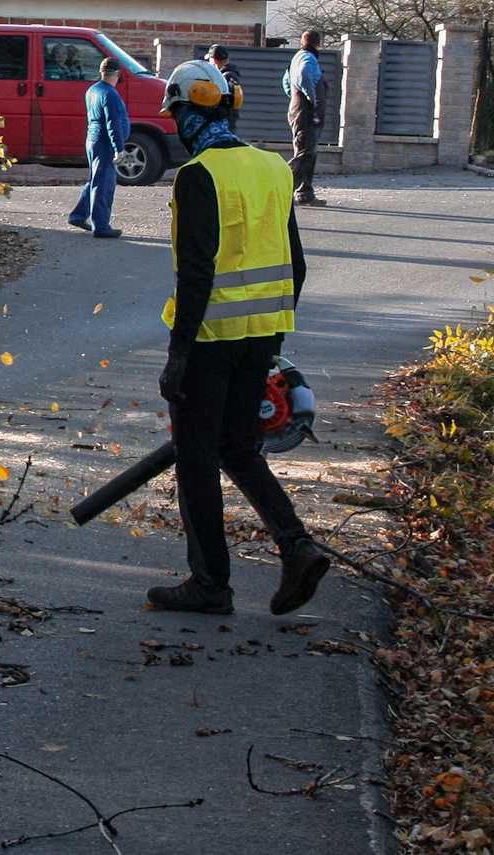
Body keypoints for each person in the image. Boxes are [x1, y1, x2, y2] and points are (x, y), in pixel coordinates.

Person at [148, 58, 329, 617]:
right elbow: (295, 264)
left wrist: (177, 359)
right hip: (259, 337)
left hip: (209, 341)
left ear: (186, 114)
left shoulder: (197, 176)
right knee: (237, 447)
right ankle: (296, 546)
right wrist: (272, 341)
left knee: (198, 460)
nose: (175, 124)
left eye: (175, 113)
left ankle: (210, 584)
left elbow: (196, 274)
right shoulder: (274, 168)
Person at [67, 57, 131, 239]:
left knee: (96, 178)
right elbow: (113, 123)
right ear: (118, 74)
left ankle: (78, 215)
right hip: (105, 143)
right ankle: (101, 226)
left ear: (101, 72)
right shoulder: (110, 94)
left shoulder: (92, 90)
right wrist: (119, 148)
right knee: (104, 183)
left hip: (93, 139)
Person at [280, 31, 328, 207]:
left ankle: (305, 193)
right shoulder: (308, 58)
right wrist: (311, 99)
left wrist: (295, 100)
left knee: (309, 153)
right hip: (305, 113)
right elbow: (303, 75)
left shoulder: (297, 57)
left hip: (299, 110)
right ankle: (282, 190)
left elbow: (286, 82)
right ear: (318, 43)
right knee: (304, 154)